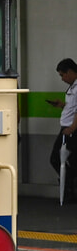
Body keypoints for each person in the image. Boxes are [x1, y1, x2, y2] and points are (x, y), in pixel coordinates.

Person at [48, 58, 77, 202]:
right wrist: (62, 105)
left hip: (70, 129)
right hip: (67, 127)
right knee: (68, 159)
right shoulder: (72, 87)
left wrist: (72, 127)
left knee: (56, 158)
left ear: (70, 72)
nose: (62, 79)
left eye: (62, 75)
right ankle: (68, 187)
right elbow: (72, 107)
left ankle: (68, 185)